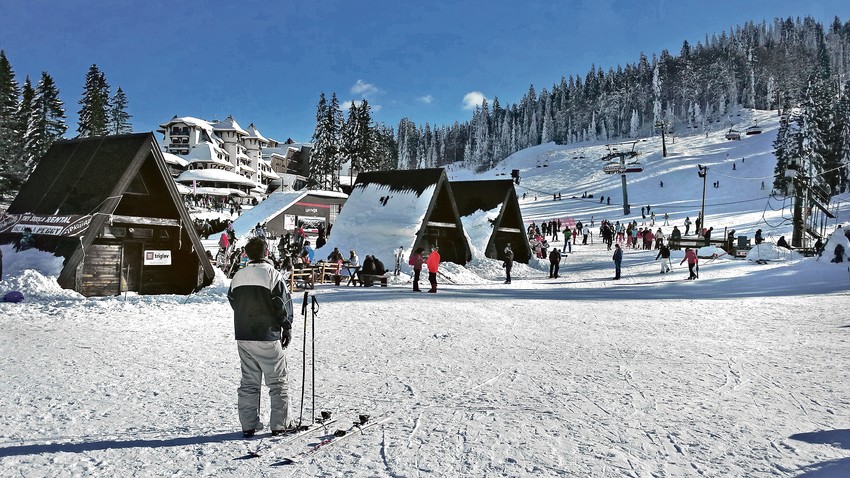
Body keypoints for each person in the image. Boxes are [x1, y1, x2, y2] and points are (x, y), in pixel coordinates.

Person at [228, 237, 294, 438]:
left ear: (247, 254)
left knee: (249, 381)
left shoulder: (238, 275)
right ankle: (281, 424)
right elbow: (283, 304)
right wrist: (287, 327)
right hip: (267, 335)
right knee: (277, 381)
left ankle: (249, 424)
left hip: (244, 335)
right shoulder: (272, 275)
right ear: (266, 253)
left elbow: (233, 300)